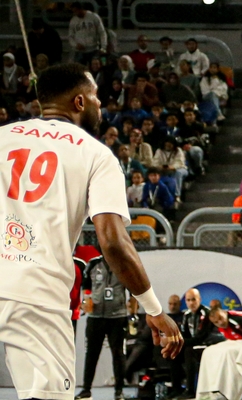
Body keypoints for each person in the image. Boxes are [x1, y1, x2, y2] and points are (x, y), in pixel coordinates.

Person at [0, 63, 182, 400]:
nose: (101, 104)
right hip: (34, 291)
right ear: (80, 102)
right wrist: (154, 309)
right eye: (96, 97)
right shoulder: (95, 154)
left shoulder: (3, 136)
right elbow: (113, 243)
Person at [78, 254, 129, 400]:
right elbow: (86, 285)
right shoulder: (93, 264)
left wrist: (132, 306)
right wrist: (87, 300)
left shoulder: (123, 263)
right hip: (96, 317)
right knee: (91, 354)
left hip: (117, 316)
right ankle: (86, 389)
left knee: (118, 354)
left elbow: (132, 287)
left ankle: (119, 391)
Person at [196, 307, 242, 400]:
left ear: (225, 313)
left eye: (221, 318)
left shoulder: (237, 321)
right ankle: (211, 389)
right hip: (238, 341)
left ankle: (233, 392)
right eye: (216, 322)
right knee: (208, 352)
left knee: (229, 353)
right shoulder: (219, 324)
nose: (220, 323)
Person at [172, 288, 222, 399]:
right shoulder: (186, 315)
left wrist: (181, 342)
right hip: (194, 344)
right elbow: (184, 334)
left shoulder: (206, 313)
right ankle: (176, 389)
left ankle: (190, 390)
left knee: (189, 351)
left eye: (193, 300)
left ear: (199, 299)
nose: (191, 303)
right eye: (188, 300)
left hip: (208, 345)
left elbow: (202, 337)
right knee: (174, 352)